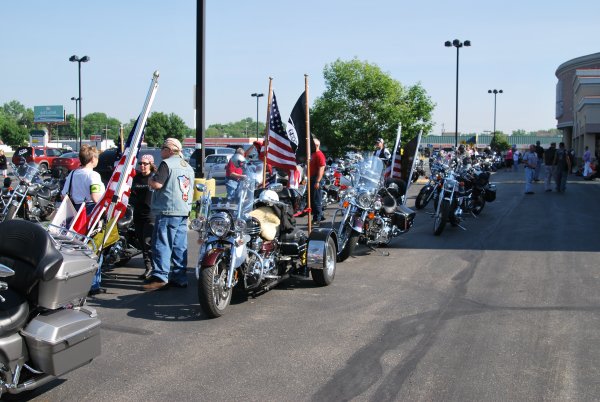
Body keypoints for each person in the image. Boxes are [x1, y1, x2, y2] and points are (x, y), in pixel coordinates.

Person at [143, 138, 195, 291]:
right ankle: (180, 277)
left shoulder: (166, 164)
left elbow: (157, 184)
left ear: (169, 150)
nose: (161, 151)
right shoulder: (188, 166)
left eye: (162, 148)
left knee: (162, 243)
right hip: (183, 210)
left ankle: (160, 277)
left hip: (168, 210)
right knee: (179, 245)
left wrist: (150, 180)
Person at [131, 154, 156, 279]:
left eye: (145, 164)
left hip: (150, 214)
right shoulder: (136, 178)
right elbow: (132, 194)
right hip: (138, 213)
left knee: (148, 242)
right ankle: (148, 267)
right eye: (140, 163)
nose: (142, 166)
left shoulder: (154, 177)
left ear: (151, 165)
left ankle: (153, 269)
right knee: (141, 242)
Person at [61, 145, 104, 215]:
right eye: (97, 158)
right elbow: (95, 197)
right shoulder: (93, 175)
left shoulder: (72, 173)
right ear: (93, 159)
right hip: (90, 211)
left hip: (76, 211)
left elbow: (63, 196)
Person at [310, 138, 326, 226]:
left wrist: (317, 181)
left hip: (316, 179)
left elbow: (321, 168)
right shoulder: (313, 154)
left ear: (316, 145)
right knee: (312, 199)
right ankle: (320, 215)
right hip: (312, 178)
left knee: (316, 200)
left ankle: (317, 219)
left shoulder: (319, 155)